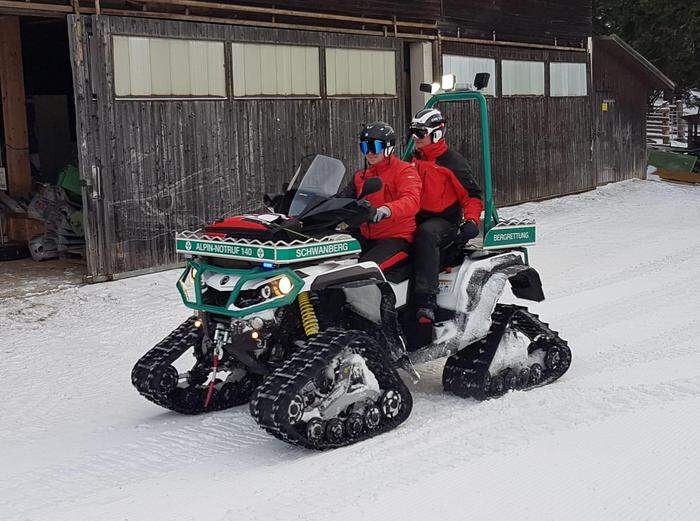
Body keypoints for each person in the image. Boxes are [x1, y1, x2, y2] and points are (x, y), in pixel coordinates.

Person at [410, 108, 484, 324]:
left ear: (436, 134)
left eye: (420, 133)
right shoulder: (413, 160)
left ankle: (426, 301)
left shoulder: (452, 162)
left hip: (444, 221)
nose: (415, 138)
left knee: (426, 233)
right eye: (413, 132)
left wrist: (471, 220)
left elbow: (472, 195)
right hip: (417, 215)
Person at [337, 121, 422, 272]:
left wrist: (385, 210)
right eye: (364, 147)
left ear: (388, 148)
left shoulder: (405, 171)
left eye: (374, 147)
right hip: (366, 236)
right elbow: (341, 200)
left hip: (397, 238)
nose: (369, 152)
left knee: (362, 271)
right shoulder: (361, 176)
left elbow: (411, 200)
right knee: (333, 263)